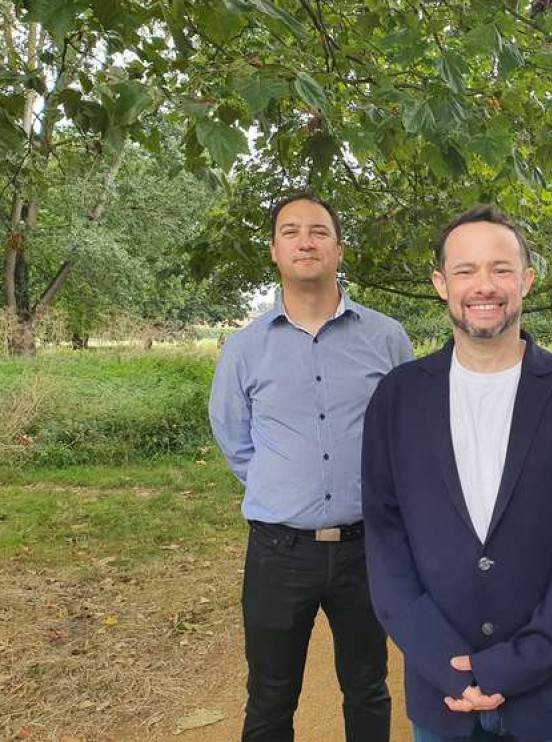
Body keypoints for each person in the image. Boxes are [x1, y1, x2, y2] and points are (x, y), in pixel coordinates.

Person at [362, 205, 552, 742]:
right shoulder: (397, 397)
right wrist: (446, 661)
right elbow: (386, 540)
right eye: (465, 271)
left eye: (501, 269)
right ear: (440, 284)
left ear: (526, 280)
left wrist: (519, 663)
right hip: (443, 696)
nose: (485, 286)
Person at [209, 191, 413, 742]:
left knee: (368, 688)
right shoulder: (245, 348)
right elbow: (235, 440)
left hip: (367, 551)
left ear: (339, 249)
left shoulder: (387, 338)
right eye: (291, 231)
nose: (306, 240)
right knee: (271, 697)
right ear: (274, 250)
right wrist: (285, 490)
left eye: (319, 231)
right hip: (278, 554)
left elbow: (407, 433)